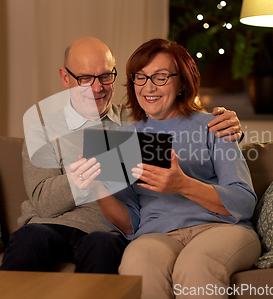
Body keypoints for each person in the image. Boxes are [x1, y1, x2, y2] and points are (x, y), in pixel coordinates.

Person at [0, 37, 246, 274]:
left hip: (107, 232)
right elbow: (44, 202)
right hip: (48, 226)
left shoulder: (137, 118)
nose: (96, 88)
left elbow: (184, 125)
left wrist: (229, 126)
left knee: (104, 248)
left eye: (105, 76)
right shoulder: (42, 127)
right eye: (85, 78)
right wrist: (86, 175)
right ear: (65, 78)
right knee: (29, 240)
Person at [69, 38, 260, 298]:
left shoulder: (215, 125)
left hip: (221, 229)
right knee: (137, 263)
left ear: (182, 82)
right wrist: (97, 186)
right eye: (141, 77)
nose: (149, 87)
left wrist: (182, 184)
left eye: (160, 77)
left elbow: (243, 203)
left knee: (194, 266)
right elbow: (129, 224)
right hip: (156, 233)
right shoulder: (124, 137)